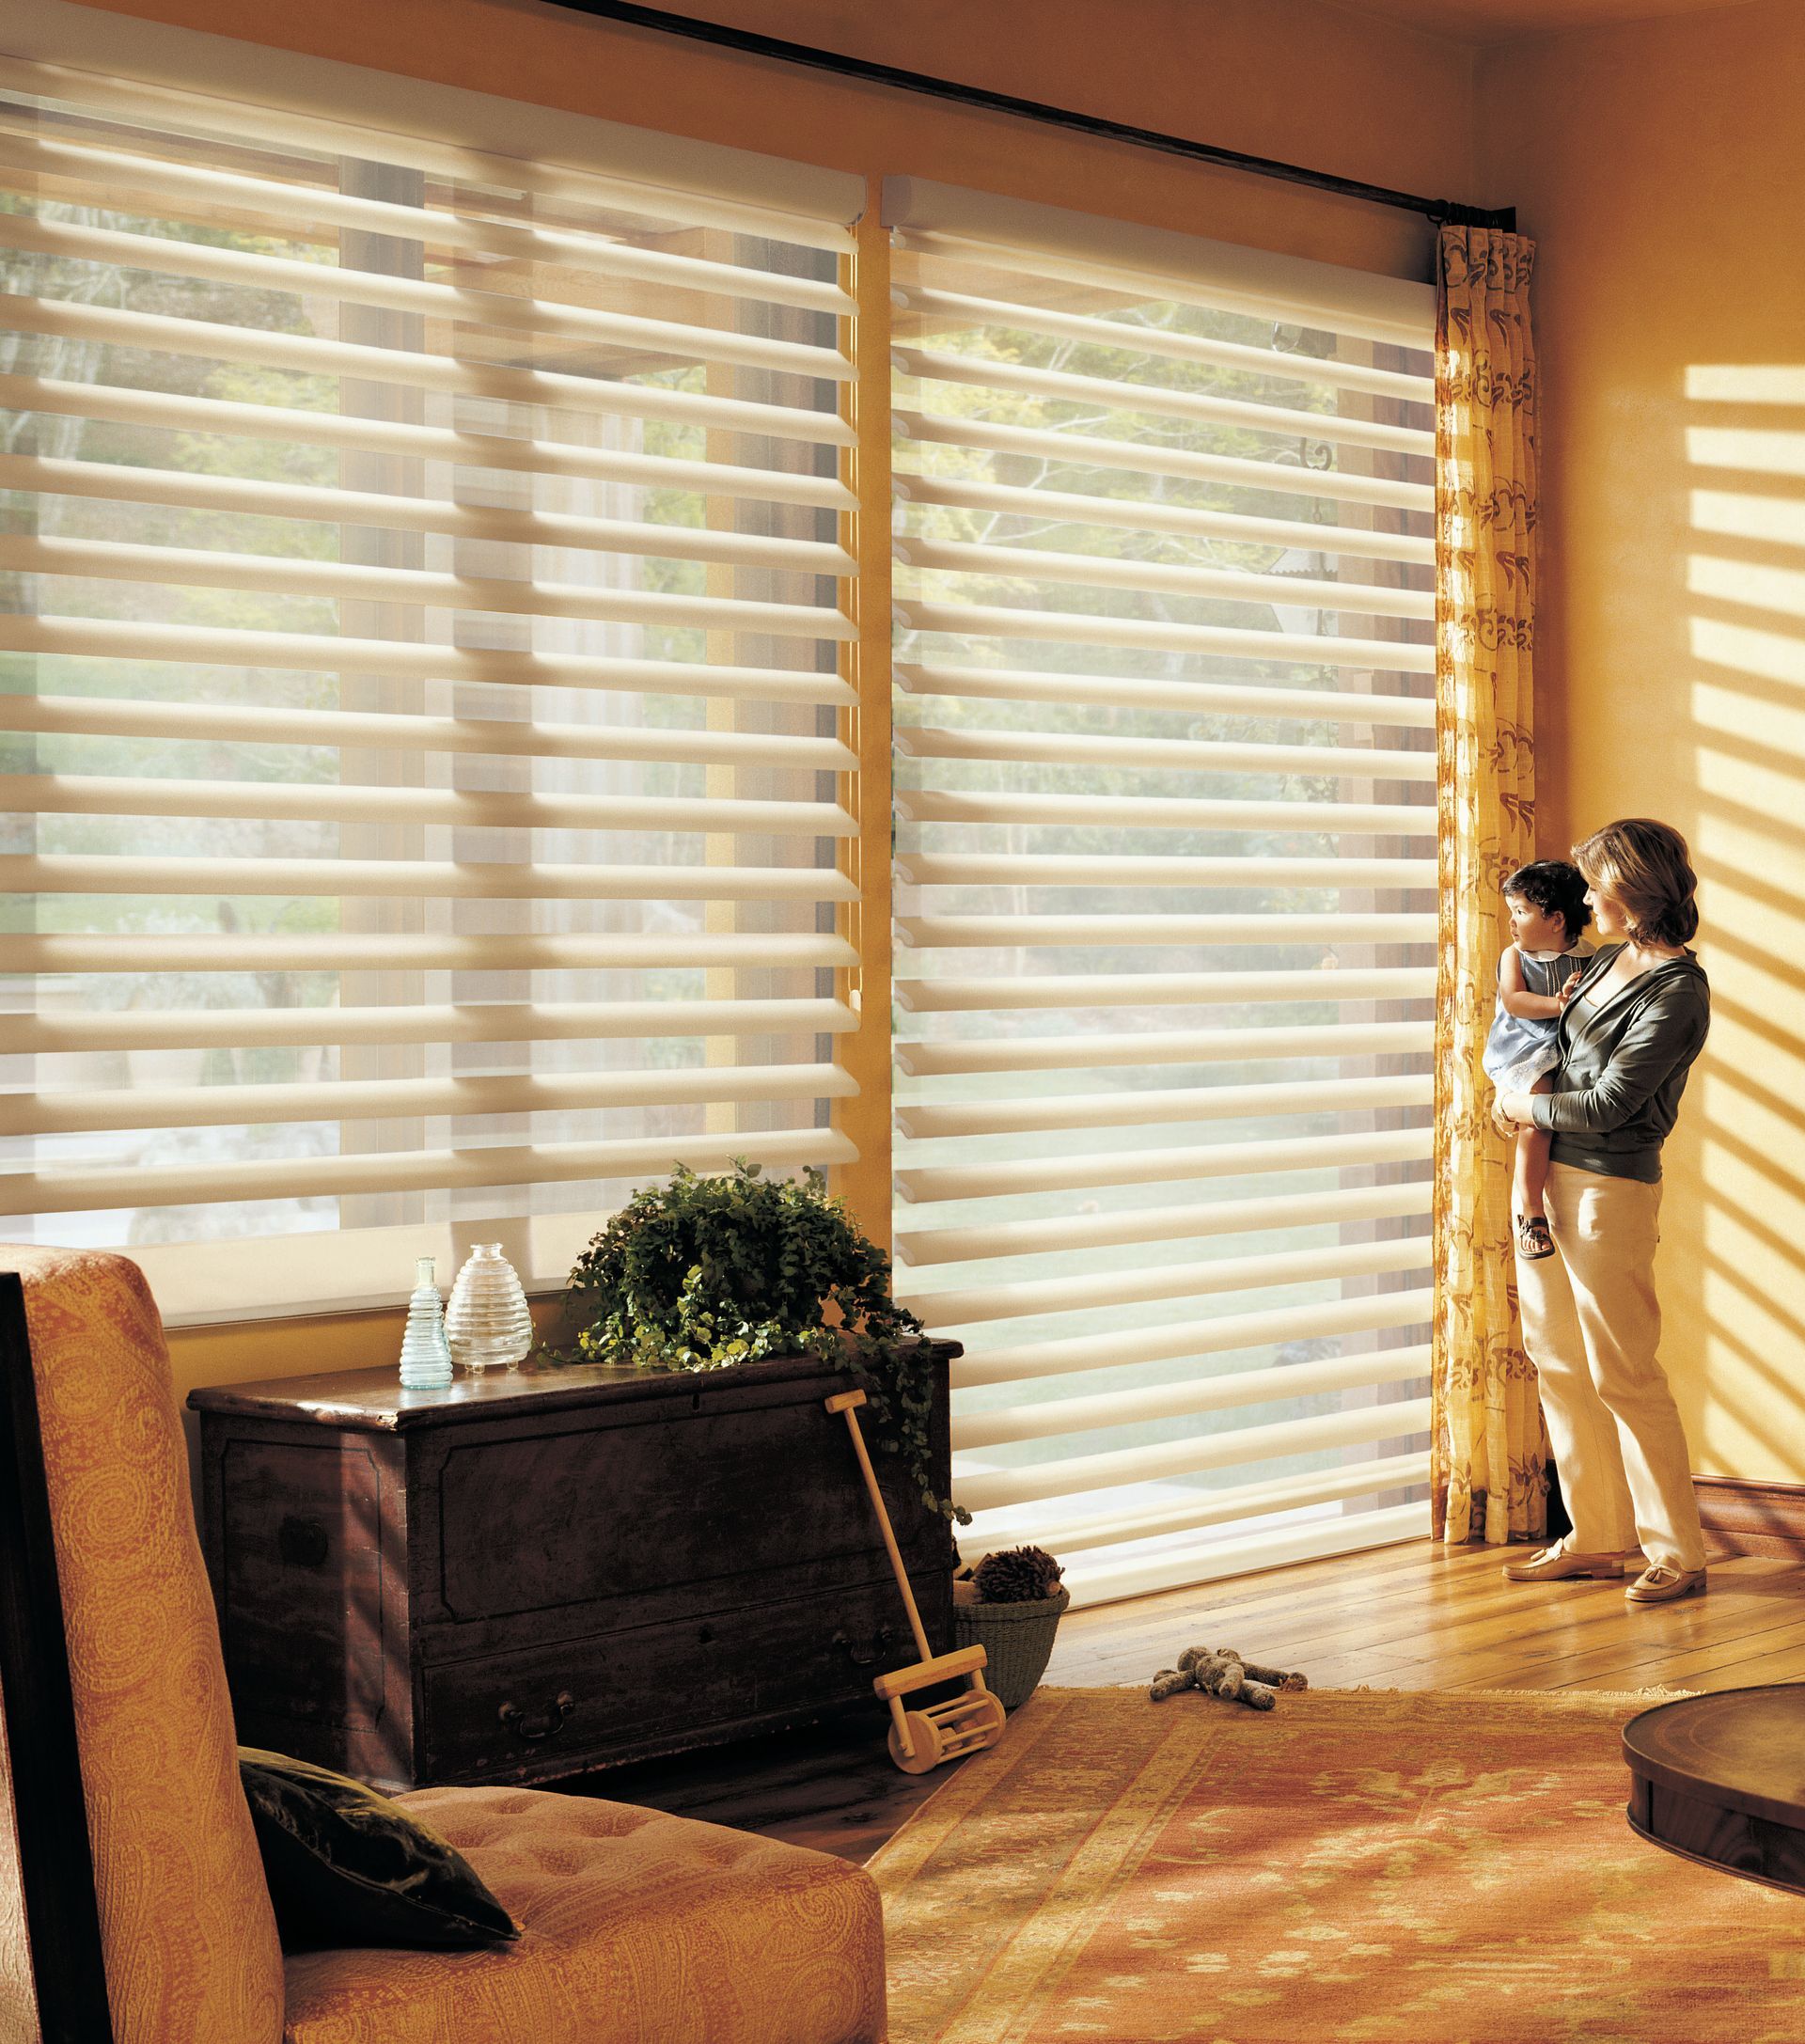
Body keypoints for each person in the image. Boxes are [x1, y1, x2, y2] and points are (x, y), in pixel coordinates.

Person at [1492, 818, 1712, 1606]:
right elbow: (1552, 1050)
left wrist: (1521, 1105)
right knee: (1557, 1360)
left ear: (1632, 888)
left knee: (1624, 1371)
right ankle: (1596, 1536)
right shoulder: (1609, 960)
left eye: (1595, 882)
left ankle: (1678, 1553)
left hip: (1606, 1191)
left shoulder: (1678, 989)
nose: (1583, 897)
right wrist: (1523, 1103)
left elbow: (1616, 1101)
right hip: (1548, 1180)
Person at [1482, 861, 1593, 1260]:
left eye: (1521, 911)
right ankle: (1531, 1212)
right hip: (1524, 1048)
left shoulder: (1590, 960)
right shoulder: (1515, 957)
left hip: (1567, 1048)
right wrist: (1558, 1003)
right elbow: (1515, 1001)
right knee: (1537, 1118)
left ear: (1556, 919)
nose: (1511, 921)